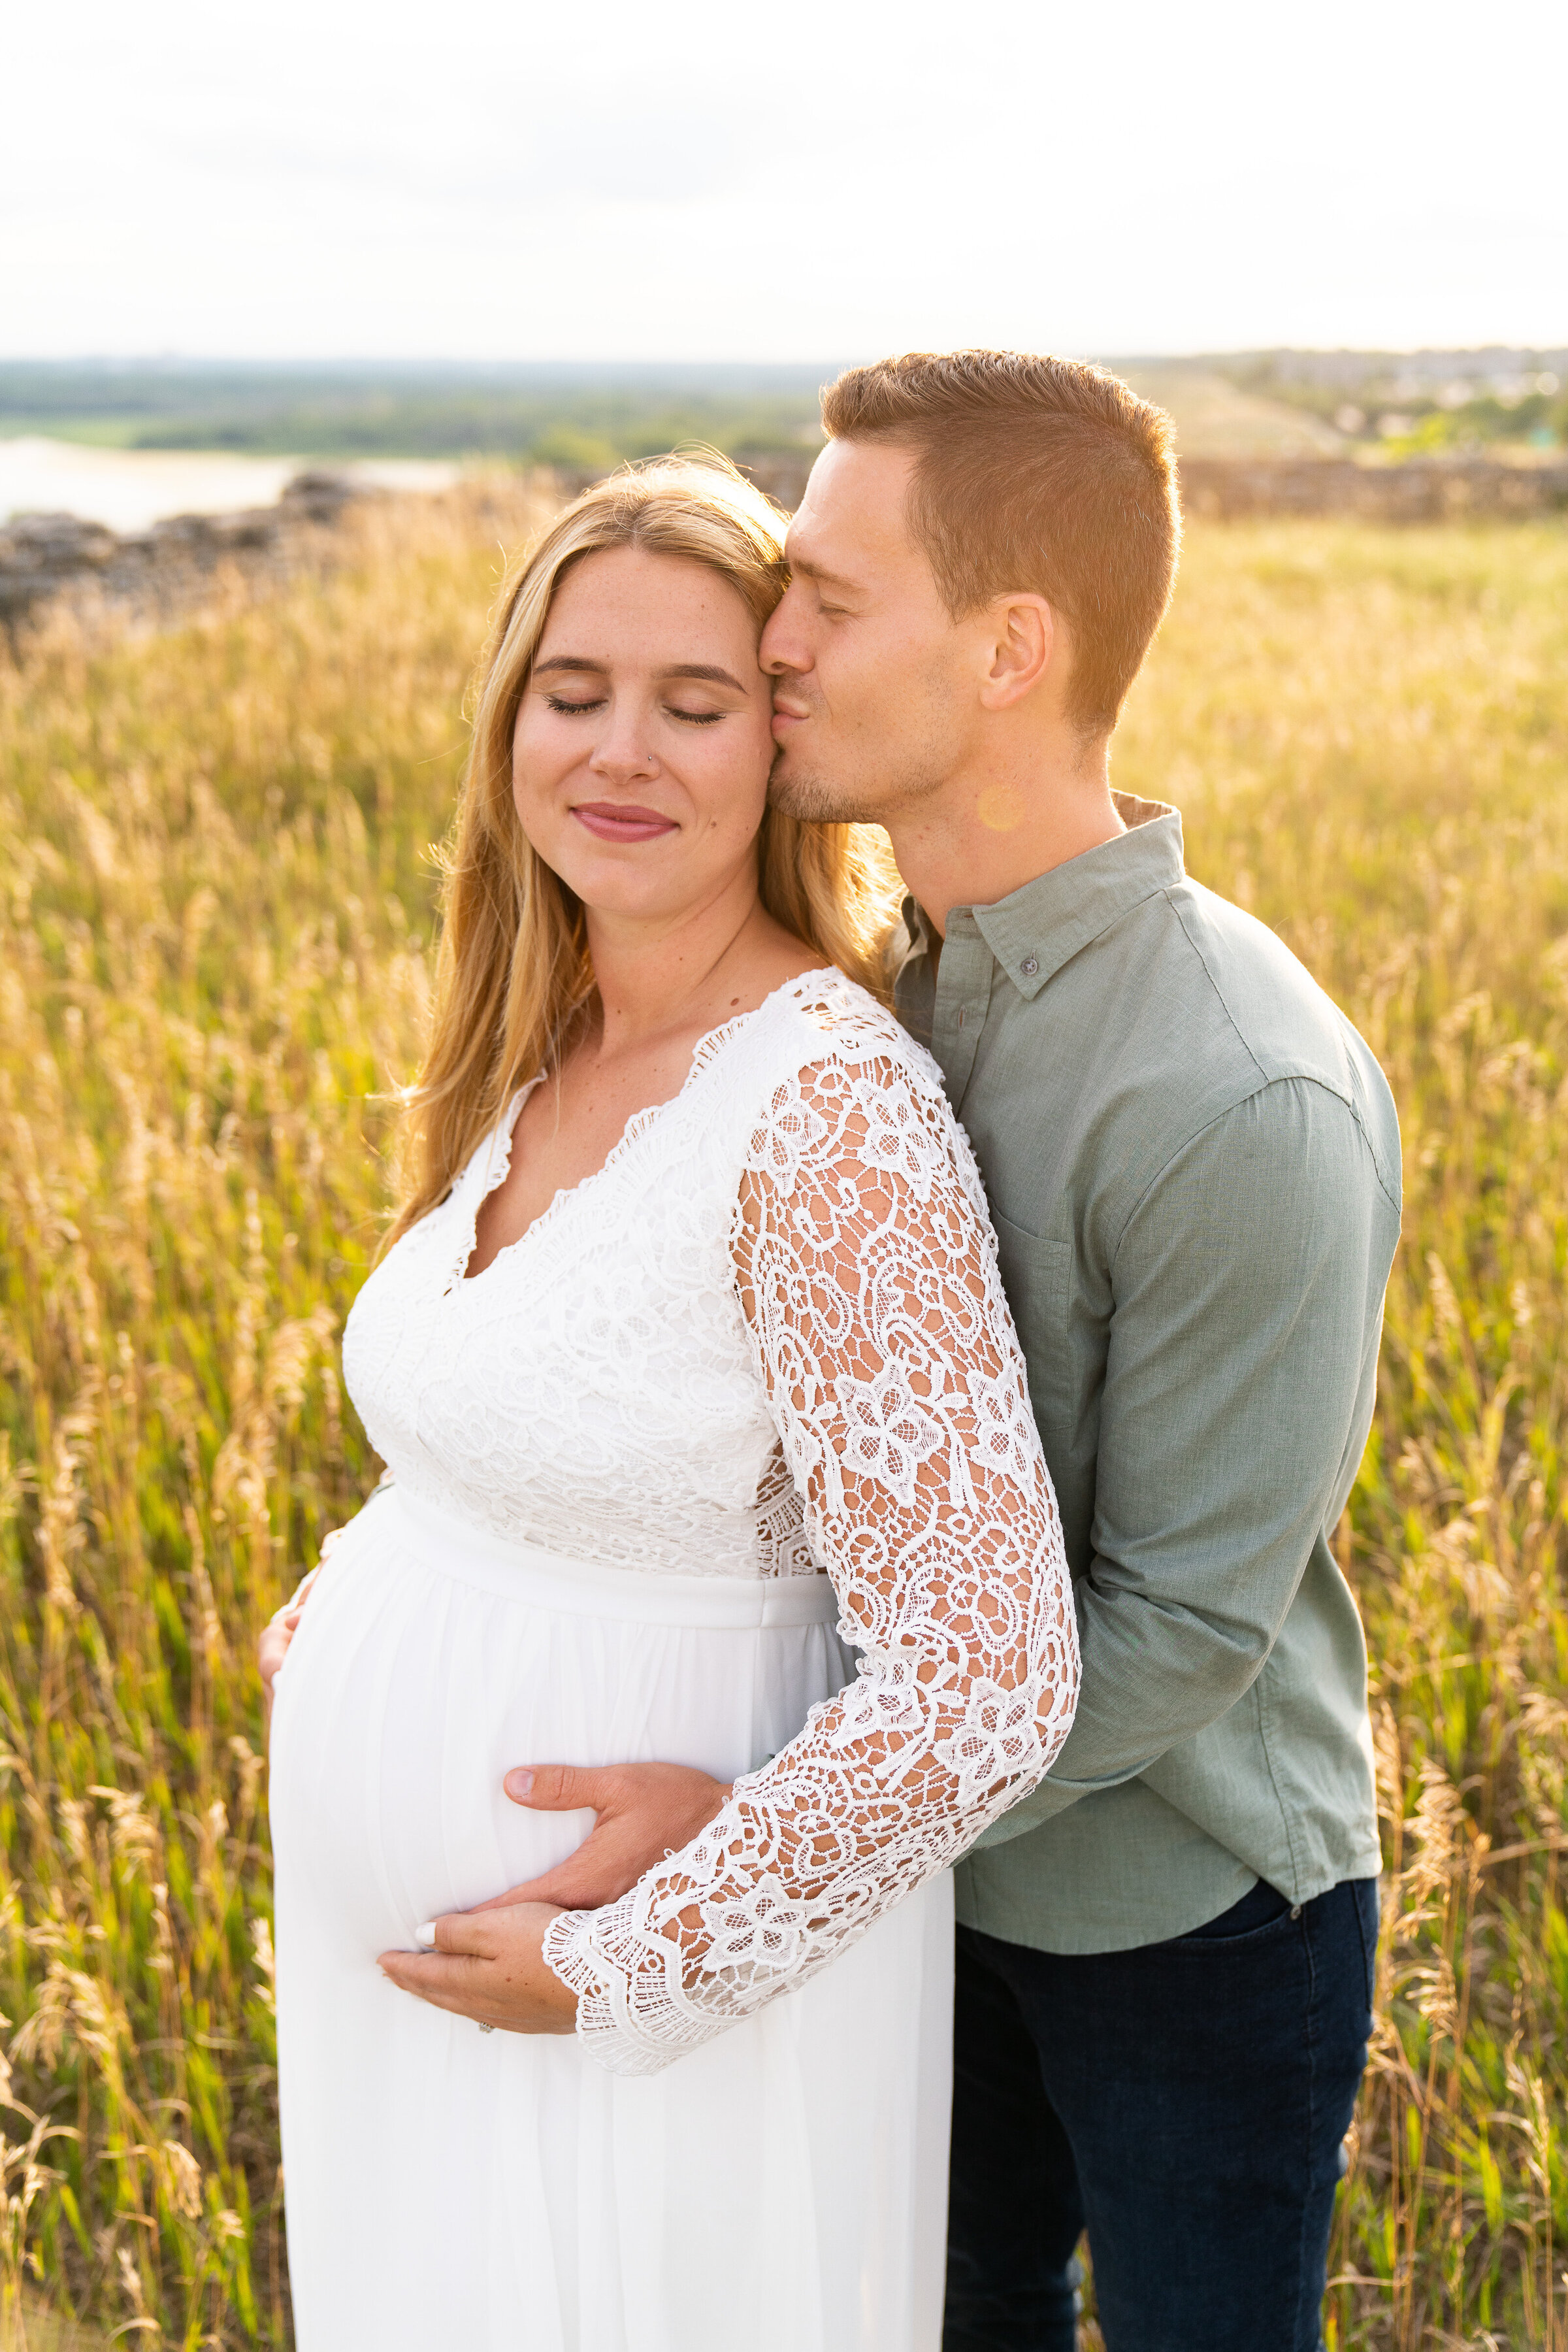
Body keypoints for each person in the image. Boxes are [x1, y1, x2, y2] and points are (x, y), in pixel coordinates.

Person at [451, 354, 1401, 2352]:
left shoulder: (1240, 1093)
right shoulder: (869, 990)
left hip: (1185, 1909)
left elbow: (1182, 1628)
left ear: (1007, 648)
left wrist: (755, 1824)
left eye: (829, 599)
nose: (774, 645)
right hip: (902, 1895)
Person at [261, 456, 1079, 2352]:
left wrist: (641, 1961)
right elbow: (536, 1413)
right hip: (435, 2021)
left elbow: (989, 1674)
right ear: (507, 721)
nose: (621, 751)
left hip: (650, 2037)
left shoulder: (828, 1115)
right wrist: (368, 1583)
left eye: (695, 704)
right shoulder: (553, 1030)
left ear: (780, 747)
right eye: (575, 692)